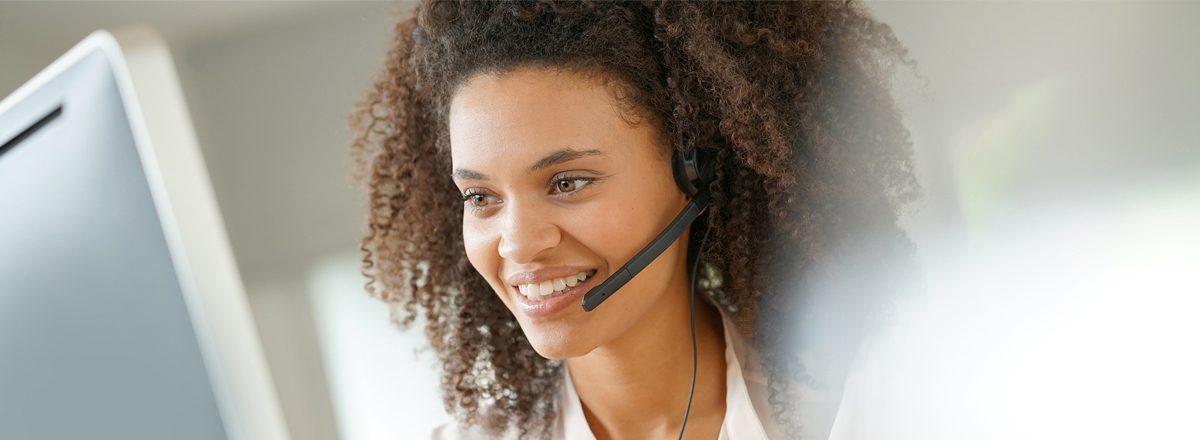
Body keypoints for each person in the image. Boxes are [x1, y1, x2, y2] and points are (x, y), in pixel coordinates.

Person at [349, 1, 917, 439]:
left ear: (694, 172)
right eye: (480, 197)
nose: (519, 245)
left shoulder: (864, 415)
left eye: (567, 183)